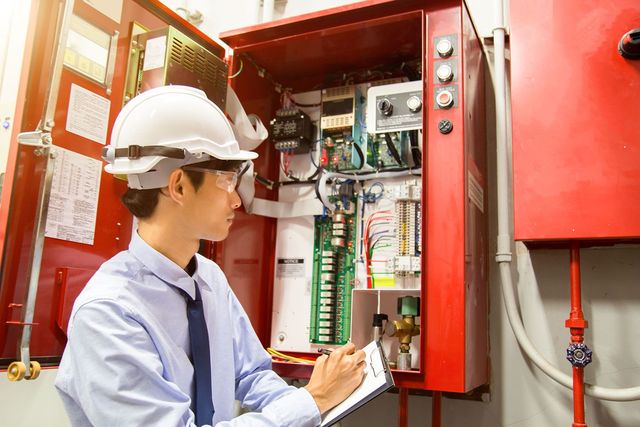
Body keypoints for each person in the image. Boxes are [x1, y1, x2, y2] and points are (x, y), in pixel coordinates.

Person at [55, 85, 365, 426]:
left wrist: (316, 403)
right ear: (179, 186)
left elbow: (251, 375)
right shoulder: (109, 314)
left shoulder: (209, 278)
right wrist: (313, 400)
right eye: (227, 181)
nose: (237, 201)